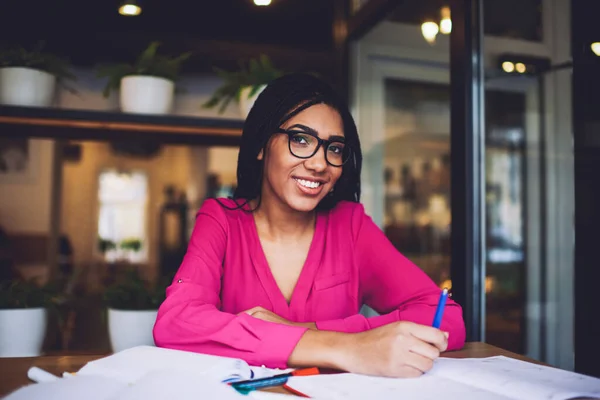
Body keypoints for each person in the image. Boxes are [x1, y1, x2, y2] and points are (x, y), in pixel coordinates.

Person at [153, 73, 466, 378]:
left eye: (334, 148)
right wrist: (348, 347)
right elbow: (176, 322)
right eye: (300, 140)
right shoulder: (222, 220)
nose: (319, 164)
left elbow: (448, 320)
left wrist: (302, 331)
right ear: (262, 144)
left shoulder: (350, 226)